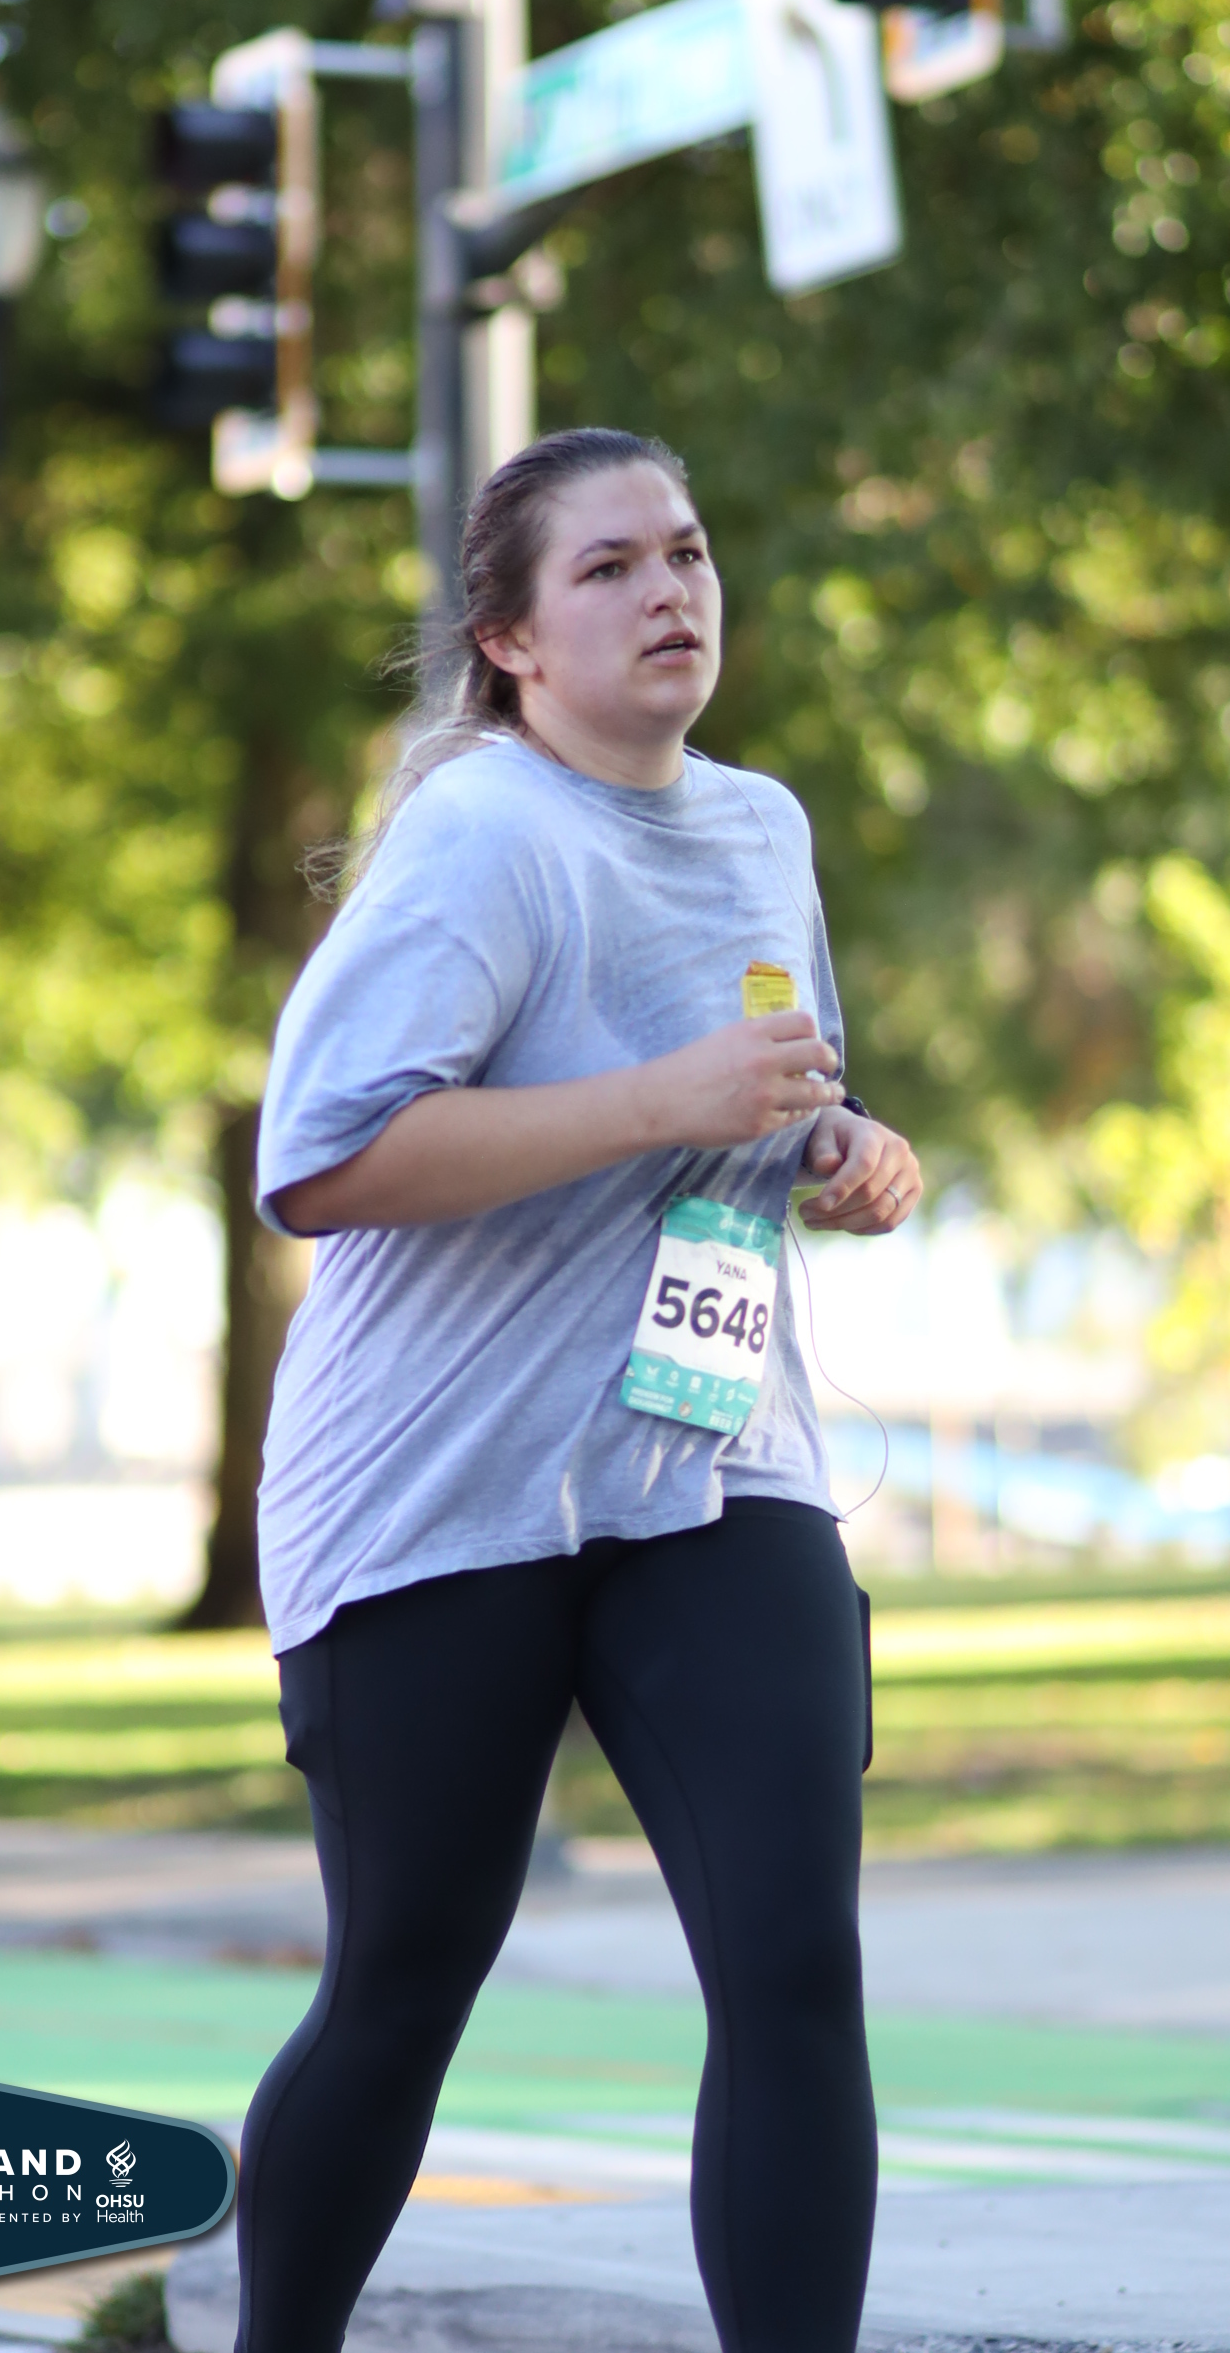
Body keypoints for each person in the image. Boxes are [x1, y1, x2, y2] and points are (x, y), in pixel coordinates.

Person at [233, 426, 923, 2353]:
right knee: (406, 1984)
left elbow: (764, 1093)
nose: (668, 591)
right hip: (443, 1488)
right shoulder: (485, 835)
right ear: (514, 642)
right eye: (609, 568)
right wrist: (656, 1103)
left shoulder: (762, 827)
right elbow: (320, 1159)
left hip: (709, 1456)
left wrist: (843, 1151)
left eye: (685, 553)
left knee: (793, 1965)